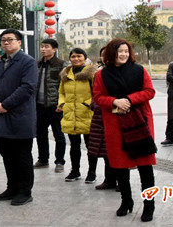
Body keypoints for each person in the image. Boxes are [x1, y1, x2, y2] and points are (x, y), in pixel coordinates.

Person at [93, 38, 156, 222]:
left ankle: (149, 205)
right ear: (112, 53)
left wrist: (128, 99)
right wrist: (114, 101)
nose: (123, 54)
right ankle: (126, 201)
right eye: (120, 51)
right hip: (115, 123)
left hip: (140, 123)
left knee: (145, 168)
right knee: (120, 167)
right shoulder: (102, 75)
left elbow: (149, 91)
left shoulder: (139, 70)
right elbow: (97, 96)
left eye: (126, 51)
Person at [0, 29, 38, 206]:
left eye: (10, 40)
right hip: (1, 116)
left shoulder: (28, 62)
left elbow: (27, 87)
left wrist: (6, 105)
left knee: (22, 156)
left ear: (19, 42)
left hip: (20, 116)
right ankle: (12, 187)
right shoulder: (0, 63)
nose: (6, 43)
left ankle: (25, 191)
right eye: (3, 41)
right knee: (7, 155)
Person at [58, 48, 97, 183]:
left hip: (87, 114)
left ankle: (92, 172)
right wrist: (62, 104)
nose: (76, 59)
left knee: (90, 145)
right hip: (70, 114)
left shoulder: (91, 74)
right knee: (74, 145)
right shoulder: (66, 74)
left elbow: (96, 93)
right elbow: (61, 92)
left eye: (79, 56)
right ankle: (75, 171)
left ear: (85, 58)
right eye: (73, 56)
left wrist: (87, 105)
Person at [34, 38, 67, 172]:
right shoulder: (38, 64)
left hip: (55, 106)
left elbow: (65, 86)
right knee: (40, 133)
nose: (43, 49)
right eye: (42, 46)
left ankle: (59, 161)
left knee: (58, 134)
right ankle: (43, 159)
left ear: (54, 49)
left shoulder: (61, 65)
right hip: (39, 105)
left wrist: (62, 104)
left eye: (46, 46)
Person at [88, 47, 117, 191]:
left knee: (118, 150)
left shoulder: (123, 72)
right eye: (103, 55)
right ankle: (109, 179)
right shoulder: (99, 73)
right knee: (106, 151)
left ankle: (121, 180)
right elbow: (95, 93)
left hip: (117, 114)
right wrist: (94, 105)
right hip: (100, 115)